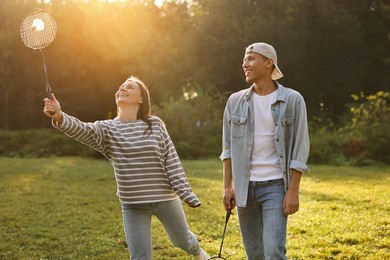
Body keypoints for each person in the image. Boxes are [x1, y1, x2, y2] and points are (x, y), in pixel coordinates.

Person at [43, 76, 210, 260]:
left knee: (183, 241)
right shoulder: (107, 129)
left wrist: (186, 193)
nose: (122, 89)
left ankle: (198, 252)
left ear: (141, 99)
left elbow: (171, 160)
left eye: (129, 87)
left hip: (165, 199)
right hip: (133, 206)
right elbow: (82, 130)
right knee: (140, 257)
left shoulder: (154, 125)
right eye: (121, 87)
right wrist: (59, 115)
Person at [220, 42, 310, 259]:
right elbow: (228, 148)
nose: (245, 64)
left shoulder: (292, 100)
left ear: (269, 63)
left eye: (251, 59)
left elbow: (300, 147)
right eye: (244, 60)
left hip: (276, 186)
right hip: (244, 188)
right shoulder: (235, 101)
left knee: (273, 251)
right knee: (254, 253)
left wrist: (293, 191)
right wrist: (227, 187)